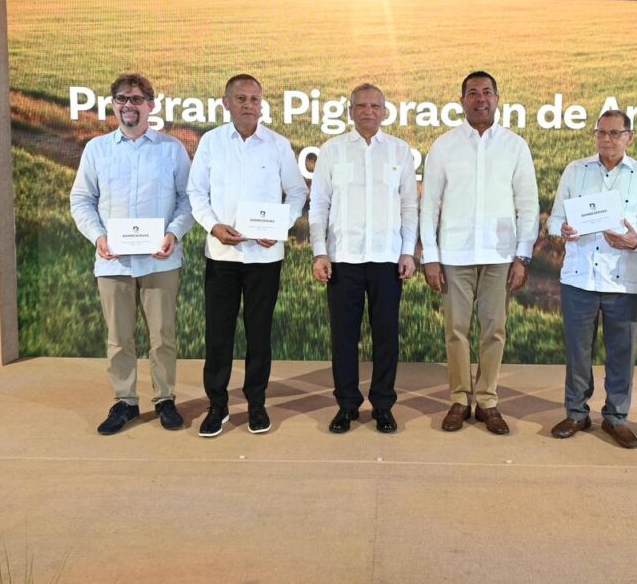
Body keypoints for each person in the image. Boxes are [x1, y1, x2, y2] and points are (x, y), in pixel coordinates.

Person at [70, 73, 193, 435]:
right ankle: (126, 401)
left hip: (161, 259)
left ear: (150, 106)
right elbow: (81, 199)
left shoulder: (171, 149)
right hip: (113, 261)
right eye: (122, 99)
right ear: (113, 105)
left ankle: (165, 399)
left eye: (137, 99)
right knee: (119, 337)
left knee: (162, 334)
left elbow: (188, 199)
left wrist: (173, 233)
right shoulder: (97, 149)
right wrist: (98, 236)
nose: (129, 105)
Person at [187, 74, 308, 437]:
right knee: (218, 334)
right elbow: (196, 192)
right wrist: (213, 226)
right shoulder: (211, 142)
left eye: (255, 99)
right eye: (240, 98)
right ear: (226, 103)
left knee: (259, 334)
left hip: (264, 259)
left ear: (261, 103)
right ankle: (217, 405)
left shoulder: (277, 144)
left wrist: (281, 226)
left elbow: (297, 192)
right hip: (222, 255)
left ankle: (256, 402)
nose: (248, 105)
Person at [420, 71, 539, 434]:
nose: (480, 99)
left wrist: (522, 256)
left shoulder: (515, 146)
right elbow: (430, 204)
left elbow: (528, 205)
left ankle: (487, 400)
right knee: (456, 330)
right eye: (473, 93)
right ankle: (459, 399)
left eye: (487, 92)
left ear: (497, 99)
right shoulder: (445, 146)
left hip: (500, 255)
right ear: (462, 101)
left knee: (494, 330)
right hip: (454, 254)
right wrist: (430, 256)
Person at [545, 110, 637, 448]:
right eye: (601, 133)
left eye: (614, 133)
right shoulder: (576, 171)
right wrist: (562, 229)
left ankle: (616, 417)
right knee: (578, 351)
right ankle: (576, 413)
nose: (606, 139)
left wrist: (636, 242)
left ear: (630, 137)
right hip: (579, 278)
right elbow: (554, 218)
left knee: (622, 352)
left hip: (623, 281)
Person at [309, 83, 418, 434]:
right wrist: (320, 252)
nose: (368, 111)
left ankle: (383, 406)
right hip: (343, 258)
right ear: (350, 111)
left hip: (387, 258)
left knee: (386, 336)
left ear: (384, 112)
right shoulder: (332, 150)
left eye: (375, 106)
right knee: (344, 338)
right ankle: (347, 406)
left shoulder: (400, 151)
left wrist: (408, 250)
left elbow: (409, 205)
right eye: (361, 106)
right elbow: (319, 205)